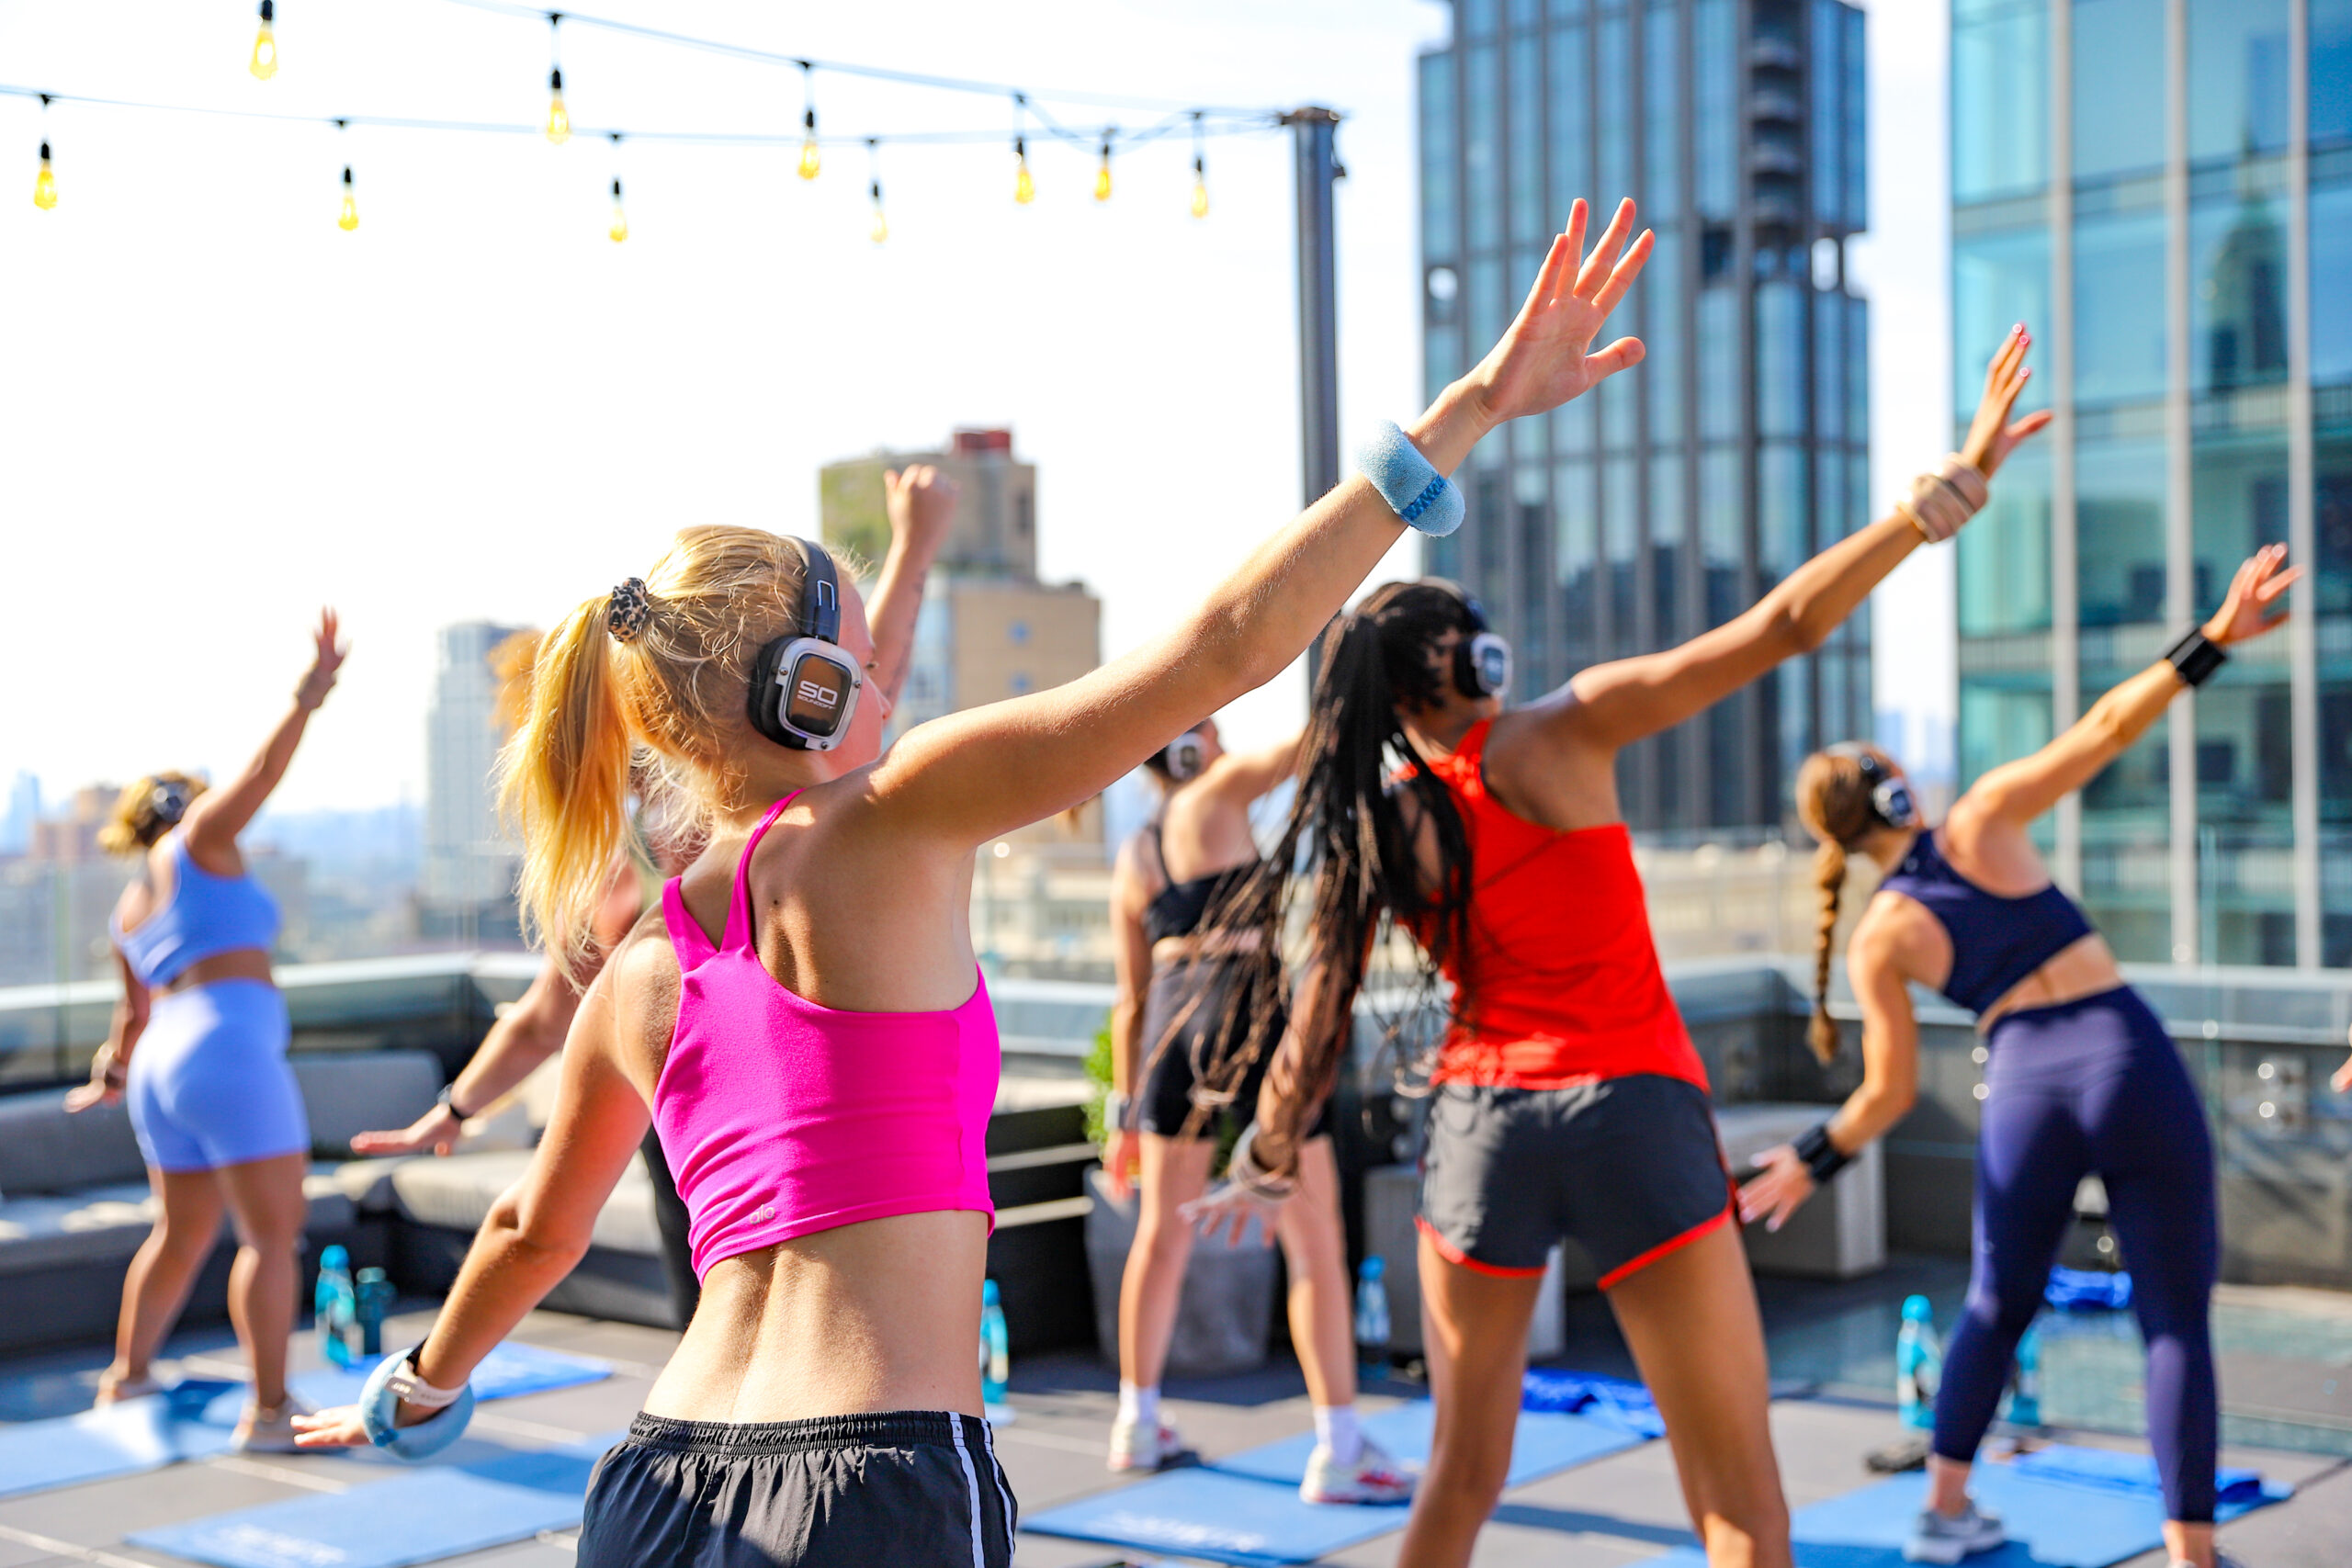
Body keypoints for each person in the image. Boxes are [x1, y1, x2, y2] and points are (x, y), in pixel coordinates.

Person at [291, 196, 1653, 1565]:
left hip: (655, 1485)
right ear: (807, 691)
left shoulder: (643, 970)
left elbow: (532, 1228)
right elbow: (1226, 645)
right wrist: (1468, 410)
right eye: (857, 640)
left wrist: (413, 1391)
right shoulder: (895, 819)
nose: (887, 665)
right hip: (872, 1483)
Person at [1182, 326, 2052, 1568]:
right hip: (1634, 1107)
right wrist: (1926, 510)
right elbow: (1778, 628)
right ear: (1467, 658)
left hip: (1482, 1133)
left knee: (1459, 1479)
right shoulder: (1562, 732)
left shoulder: (1381, 821)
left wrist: (1265, 1154)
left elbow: (1318, 1017)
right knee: (1742, 1500)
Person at [1743, 546, 2300, 1568]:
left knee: (1996, 1305)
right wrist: (2213, 638)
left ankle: (1944, 1509)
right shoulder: (1982, 820)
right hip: (2125, 1056)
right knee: (2173, 1321)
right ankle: (2190, 1553)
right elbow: (2103, 729)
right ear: (1898, 789)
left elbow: (1887, 1094)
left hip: (2024, 1090)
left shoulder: (1877, 939)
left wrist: (1808, 1159)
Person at [351, 467, 958, 1327]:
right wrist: (914, 546)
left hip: (727, 1142)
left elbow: (864, 671)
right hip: (757, 1147)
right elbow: (866, 676)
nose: (866, 693)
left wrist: (452, 1110)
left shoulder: (658, 866)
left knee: (730, 1323)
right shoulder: (705, 854)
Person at [1103, 718, 1410, 1502]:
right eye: (1208, 723)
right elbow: (1305, 748)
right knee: (1313, 1239)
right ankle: (1339, 1445)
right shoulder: (1219, 788)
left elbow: (1131, 1003)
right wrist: (1359, 679)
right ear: (1190, 745)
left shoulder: (1134, 854)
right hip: (1249, 1011)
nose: (1220, 735)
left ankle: (1137, 1423)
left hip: (1174, 1025)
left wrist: (1122, 1118)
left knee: (1159, 1235)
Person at [66, 610, 347, 1452]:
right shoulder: (204, 840)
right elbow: (261, 773)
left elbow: (132, 1017)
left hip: (160, 1068)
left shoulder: (129, 907)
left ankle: (128, 1376)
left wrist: (112, 1076)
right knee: (270, 1236)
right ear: (184, 808)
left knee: (182, 1230)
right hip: (225, 1052)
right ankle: (268, 1412)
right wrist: (309, 697)